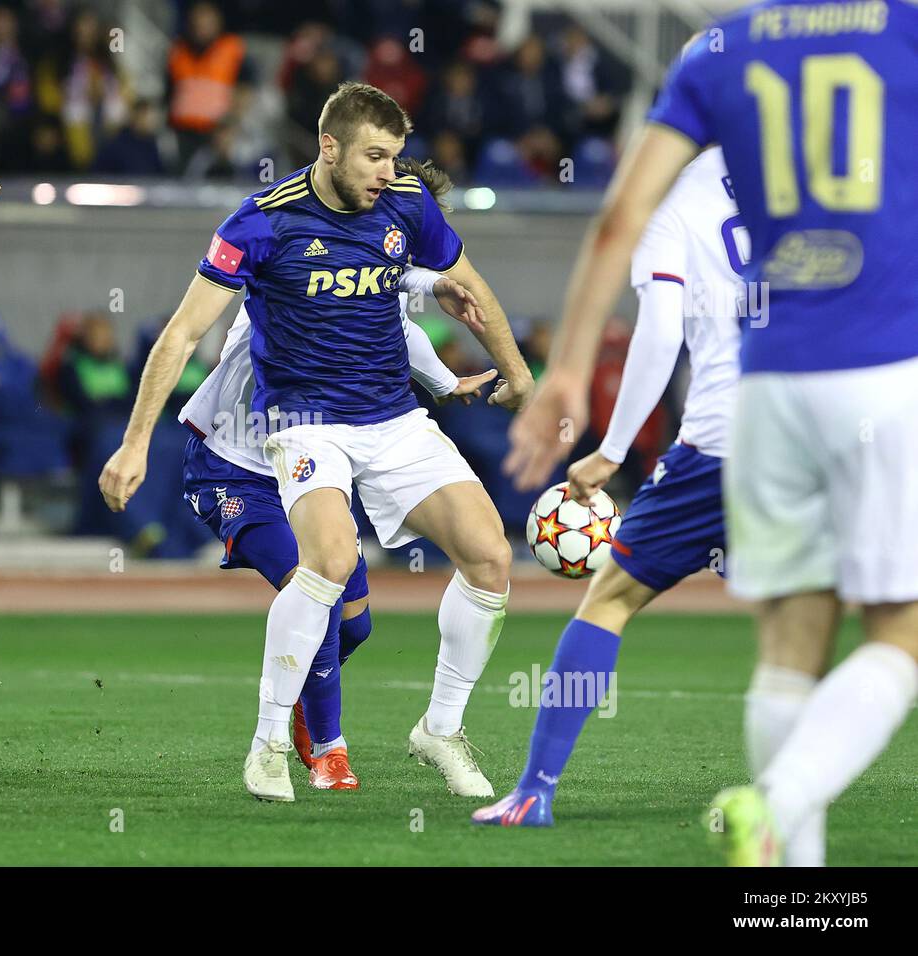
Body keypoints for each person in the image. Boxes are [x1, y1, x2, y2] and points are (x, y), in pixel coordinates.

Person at [503, 6, 918, 866]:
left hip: (758, 403)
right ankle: (780, 801)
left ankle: (784, 884)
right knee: (898, 635)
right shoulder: (902, 31)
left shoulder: (719, 51)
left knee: (777, 637)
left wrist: (573, 377)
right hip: (882, 379)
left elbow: (617, 226)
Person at [100, 82, 533, 803]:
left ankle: (440, 728)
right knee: (331, 562)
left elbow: (468, 288)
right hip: (304, 421)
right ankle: (271, 742)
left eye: (394, 157)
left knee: (490, 556)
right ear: (328, 147)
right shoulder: (261, 223)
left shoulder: (405, 202)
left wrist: (517, 375)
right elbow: (182, 332)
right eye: (372, 156)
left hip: (392, 420)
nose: (385, 172)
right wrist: (135, 442)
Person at [473, 145, 743, 829]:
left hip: (723, 437)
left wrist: (611, 451)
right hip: (828, 435)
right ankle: (797, 804)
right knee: (850, 615)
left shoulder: (673, 198)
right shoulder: (814, 180)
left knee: (610, 599)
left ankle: (534, 791)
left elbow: (659, 329)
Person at [180, 254, 495, 790]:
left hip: (317, 463)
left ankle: (304, 694)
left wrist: (443, 382)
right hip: (236, 470)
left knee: (356, 624)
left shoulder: (365, 286)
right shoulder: (283, 267)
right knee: (319, 587)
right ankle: (328, 750)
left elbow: (400, 317)